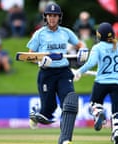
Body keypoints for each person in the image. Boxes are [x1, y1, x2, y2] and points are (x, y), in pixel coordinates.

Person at [26, 3, 88, 144]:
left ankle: (65, 139)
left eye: (55, 16)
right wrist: (41, 61)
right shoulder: (39, 34)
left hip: (63, 72)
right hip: (46, 74)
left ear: (59, 17)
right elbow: (29, 55)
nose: (52, 18)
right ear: (45, 17)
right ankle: (35, 114)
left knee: (70, 102)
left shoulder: (65, 32)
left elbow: (80, 45)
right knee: (48, 109)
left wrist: (83, 51)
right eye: (50, 15)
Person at [73, 22, 118, 144]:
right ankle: (117, 132)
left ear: (99, 35)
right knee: (117, 112)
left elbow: (90, 64)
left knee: (93, 104)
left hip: (101, 82)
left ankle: (99, 113)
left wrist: (78, 72)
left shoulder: (97, 47)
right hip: (117, 83)